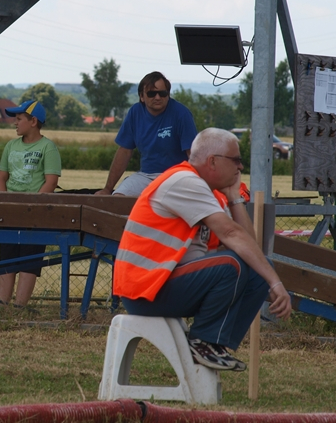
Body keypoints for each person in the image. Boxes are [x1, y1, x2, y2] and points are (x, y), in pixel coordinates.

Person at [113, 127, 292, 371]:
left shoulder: (212, 193)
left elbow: (249, 246)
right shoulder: (184, 181)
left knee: (257, 268)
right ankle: (203, 342)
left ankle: (215, 343)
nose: (241, 167)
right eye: (236, 160)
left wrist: (234, 198)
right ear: (212, 161)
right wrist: (276, 283)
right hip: (144, 291)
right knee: (233, 264)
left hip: (166, 285)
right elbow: (232, 234)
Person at [0, 100, 61, 306]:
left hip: (35, 214)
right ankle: (1, 306)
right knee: (7, 259)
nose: (15, 123)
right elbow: (1, 177)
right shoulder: (11, 146)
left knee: (29, 260)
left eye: (19, 119)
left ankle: (19, 307)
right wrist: (5, 201)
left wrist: (34, 206)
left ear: (33, 121)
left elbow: (51, 181)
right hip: (11, 211)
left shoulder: (47, 147)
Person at [97, 71, 196, 197]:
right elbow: (124, 151)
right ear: (142, 97)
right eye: (151, 93)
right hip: (146, 176)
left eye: (162, 93)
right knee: (118, 198)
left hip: (176, 176)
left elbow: (193, 154)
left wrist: (199, 185)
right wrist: (107, 189)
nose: (158, 97)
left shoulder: (181, 114)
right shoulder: (135, 112)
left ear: (168, 95)